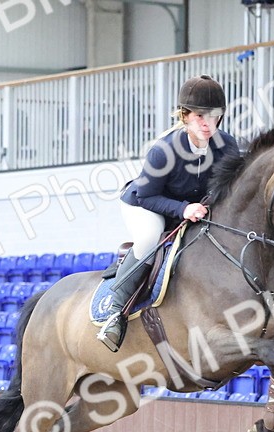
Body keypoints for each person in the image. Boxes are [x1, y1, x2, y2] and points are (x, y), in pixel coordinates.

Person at [97, 74, 240, 352]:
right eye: (200, 116)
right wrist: (183, 208)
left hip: (193, 210)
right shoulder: (163, 151)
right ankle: (115, 311)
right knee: (150, 239)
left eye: (214, 116)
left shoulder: (228, 146)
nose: (207, 123)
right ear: (185, 116)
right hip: (146, 204)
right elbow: (146, 195)